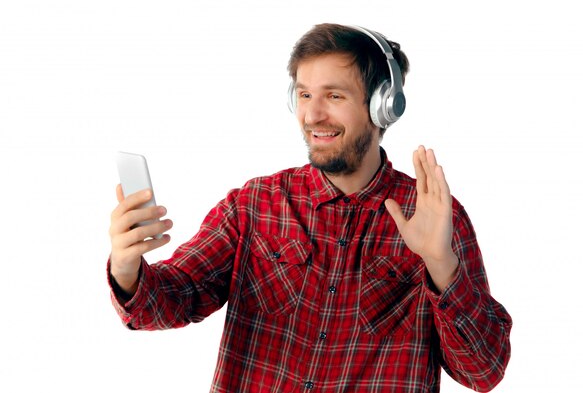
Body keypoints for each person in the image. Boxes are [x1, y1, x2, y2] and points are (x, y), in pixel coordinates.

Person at [107, 23, 512, 393]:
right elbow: (174, 298)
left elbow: (482, 371)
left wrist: (441, 266)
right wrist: (128, 272)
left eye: (334, 96)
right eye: (304, 95)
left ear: (382, 106)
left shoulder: (433, 215)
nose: (313, 115)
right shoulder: (255, 204)